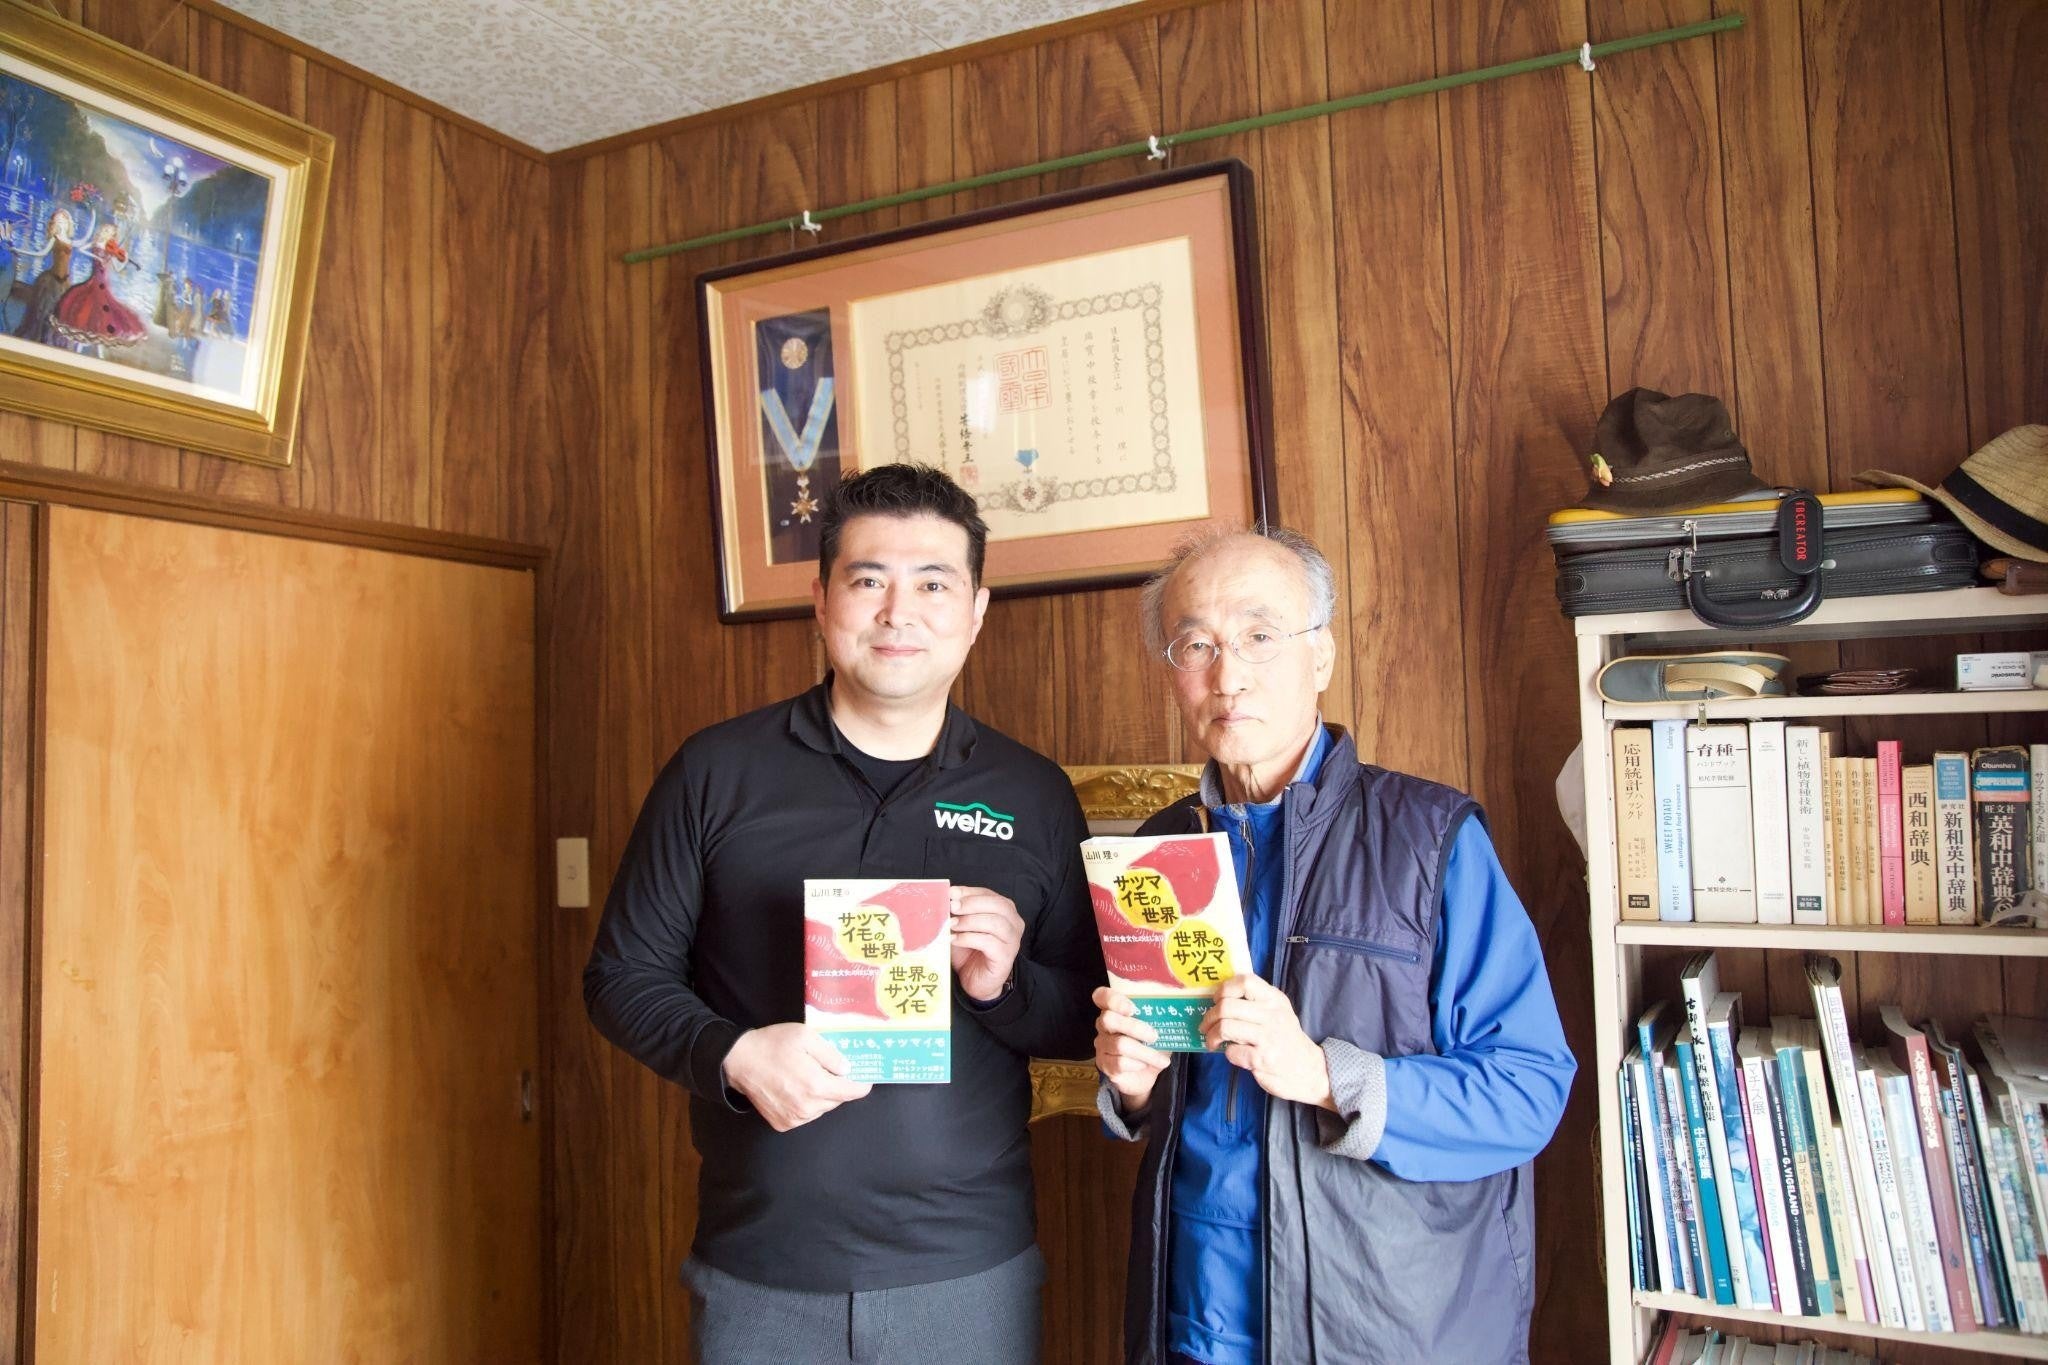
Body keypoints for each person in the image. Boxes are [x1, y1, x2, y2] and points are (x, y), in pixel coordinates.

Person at [585, 463, 1103, 1365]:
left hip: (968, 1269)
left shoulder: (1034, 793)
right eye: (869, 580)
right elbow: (620, 977)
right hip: (761, 1267)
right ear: (821, 601)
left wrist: (1005, 986)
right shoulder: (716, 772)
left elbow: (1084, 1014)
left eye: (934, 584)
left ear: (976, 610)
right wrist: (734, 1054)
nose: (900, 612)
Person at [1093, 526, 1576, 1364]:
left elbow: (1528, 1089)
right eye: (1195, 645)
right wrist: (1133, 1089)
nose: (1227, 675)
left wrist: (1326, 1075)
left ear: (1321, 655)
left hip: (1383, 1328)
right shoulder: (1157, 849)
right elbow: (1176, 1097)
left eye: (1259, 635)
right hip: (1193, 1317)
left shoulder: (1431, 839)